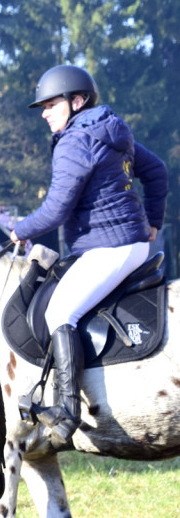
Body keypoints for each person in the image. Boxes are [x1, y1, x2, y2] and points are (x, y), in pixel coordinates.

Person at [10, 64, 168, 445]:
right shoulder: (108, 129)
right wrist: (154, 224)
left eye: (50, 105)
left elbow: (56, 209)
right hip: (129, 243)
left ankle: (67, 411)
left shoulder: (75, 141)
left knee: (59, 312)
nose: (45, 113)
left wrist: (20, 230)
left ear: (76, 101)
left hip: (110, 247)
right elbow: (157, 170)